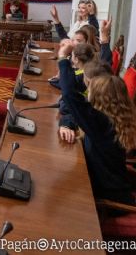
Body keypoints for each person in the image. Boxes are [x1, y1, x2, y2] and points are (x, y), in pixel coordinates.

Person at [57, 39, 136, 204]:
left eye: (89, 89)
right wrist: (67, 123)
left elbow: (71, 96)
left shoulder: (102, 123)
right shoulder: (114, 118)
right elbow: (77, 109)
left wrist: (63, 59)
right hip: (108, 185)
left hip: (107, 197)